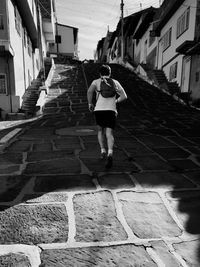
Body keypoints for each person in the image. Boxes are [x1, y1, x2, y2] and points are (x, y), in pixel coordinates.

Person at [87, 64, 127, 169]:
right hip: (111, 110)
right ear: (110, 73)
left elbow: (89, 91)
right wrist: (116, 100)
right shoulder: (115, 82)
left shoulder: (96, 82)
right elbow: (124, 96)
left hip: (99, 110)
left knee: (100, 131)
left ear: (100, 73)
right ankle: (110, 153)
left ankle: (102, 151)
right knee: (109, 133)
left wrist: (90, 103)